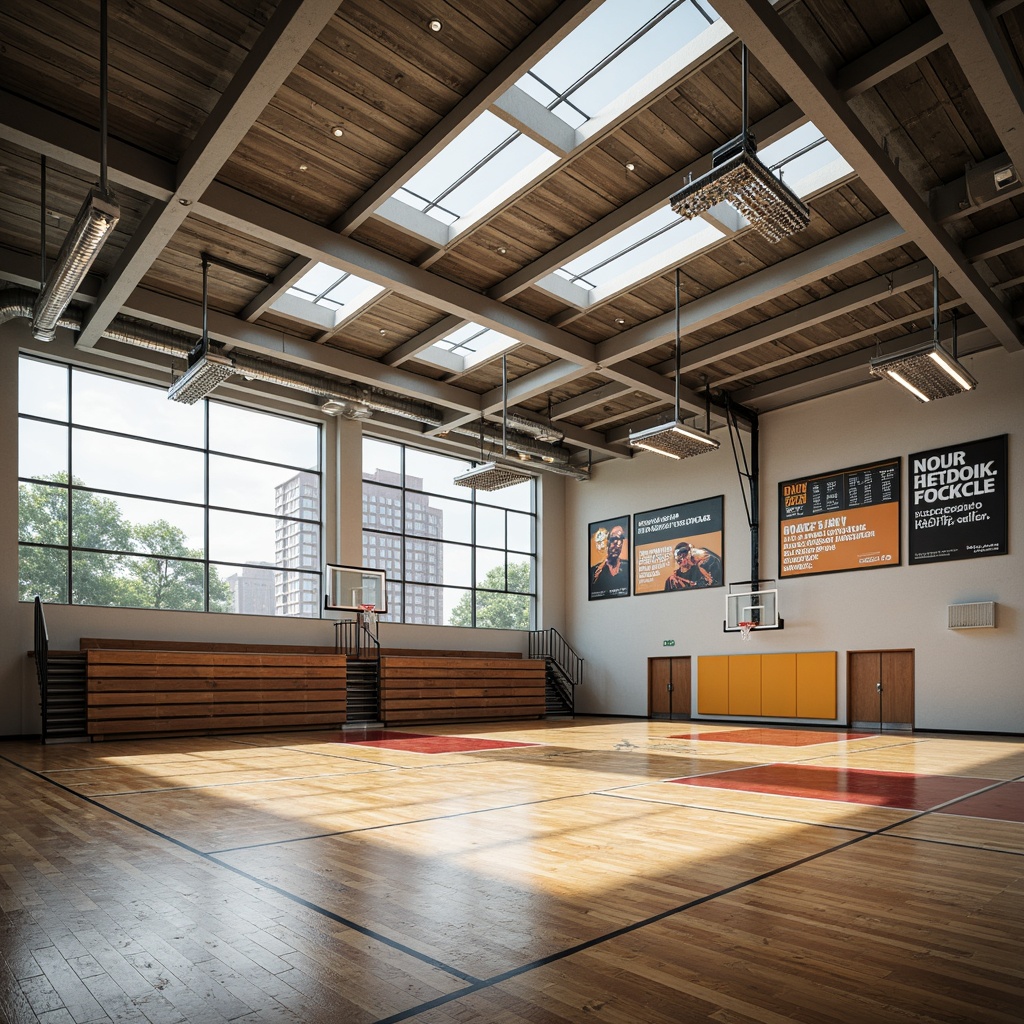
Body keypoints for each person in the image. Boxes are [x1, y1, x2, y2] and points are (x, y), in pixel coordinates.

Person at [590, 524, 629, 598]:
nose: (618, 545)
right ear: (606, 542)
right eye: (613, 540)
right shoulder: (594, 571)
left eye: (620, 540)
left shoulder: (628, 567)